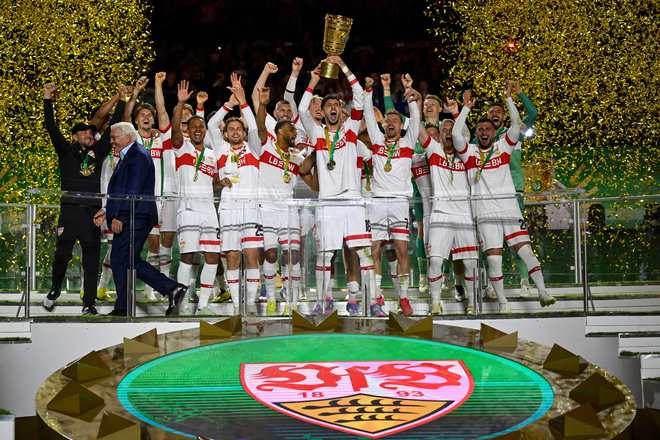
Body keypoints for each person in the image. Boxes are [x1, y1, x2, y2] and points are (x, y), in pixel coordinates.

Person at [453, 86, 555, 312]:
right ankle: (503, 303)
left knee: (525, 251)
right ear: (476, 133)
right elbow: (455, 134)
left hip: (510, 210)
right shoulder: (469, 152)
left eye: (488, 129)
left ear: (494, 132)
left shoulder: (504, 146)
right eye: (480, 129)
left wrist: (509, 99)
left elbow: (516, 123)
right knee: (494, 259)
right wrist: (466, 109)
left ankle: (543, 292)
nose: (484, 132)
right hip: (485, 214)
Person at [298, 57, 375, 316]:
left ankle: (370, 301)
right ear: (323, 111)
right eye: (328, 105)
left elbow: (359, 97)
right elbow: (302, 110)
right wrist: (313, 81)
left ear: (342, 112)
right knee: (324, 255)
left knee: (363, 253)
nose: (332, 108)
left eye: (336, 105)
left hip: (352, 199)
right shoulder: (317, 134)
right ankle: (323, 301)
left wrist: (343, 66)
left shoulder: (350, 130)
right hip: (328, 202)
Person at [42, 83, 124, 315]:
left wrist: (123, 100)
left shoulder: (98, 152)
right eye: (83, 132)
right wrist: (47, 98)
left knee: (91, 260)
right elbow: (51, 126)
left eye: (90, 132)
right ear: (74, 136)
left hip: (91, 214)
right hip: (69, 211)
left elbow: (113, 125)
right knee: (62, 255)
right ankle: (55, 288)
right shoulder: (65, 151)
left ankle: (89, 303)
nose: (88, 134)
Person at [93, 122, 187, 316]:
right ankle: (168, 289)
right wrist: (107, 210)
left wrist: (121, 216)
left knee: (121, 258)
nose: (112, 141)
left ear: (128, 136)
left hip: (136, 216)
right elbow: (121, 190)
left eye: (114, 137)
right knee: (126, 259)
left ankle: (127, 305)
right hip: (132, 215)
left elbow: (133, 190)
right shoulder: (130, 155)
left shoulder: (137, 155)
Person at [362, 74, 421, 316]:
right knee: (374, 248)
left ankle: (403, 298)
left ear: (401, 126)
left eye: (395, 120)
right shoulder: (377, 141)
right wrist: (368, 92)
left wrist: (410, 92)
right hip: (377, 202)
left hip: (399, 202)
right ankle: (377, 295)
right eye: (387, 120)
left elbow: (415, 118)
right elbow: (368, 115)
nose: (390, 123)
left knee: (401, 249)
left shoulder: (408, 142)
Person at [255, 86, 313, 314]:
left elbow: (312, 181)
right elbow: (260, 126)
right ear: (279, 132)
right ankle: (271, 297)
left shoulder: (296, 157)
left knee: (293, 256)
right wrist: (262, 104)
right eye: (291, 129)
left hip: (289, 210)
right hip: (267, 210)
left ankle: (292, 299)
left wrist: (316, 152)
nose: (294, 132)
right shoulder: (266, 145)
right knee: (270, 254)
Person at [170, 80, 222, 315]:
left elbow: (214, 182)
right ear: (188, 131)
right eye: (194, 127)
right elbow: (174, 131)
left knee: (212, 257)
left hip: (209, 211)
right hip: (188, 210)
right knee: (187, 257)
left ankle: (203, 305)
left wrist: (222, 183)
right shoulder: (182, 148)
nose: (198, 130)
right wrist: (180, 103)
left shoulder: (211, 155)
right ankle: (180, 303)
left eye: (201, 126)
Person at [419, 118, 479, 314]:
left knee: (470, 262)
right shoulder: (434, 151)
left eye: (451, 129)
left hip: (464, 216)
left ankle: (472, 303)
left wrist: (463, 110)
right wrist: (413, 105)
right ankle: (435, 303)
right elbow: (419, 131)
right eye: (444, 129)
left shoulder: (467, 154)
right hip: (440, 215)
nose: (448, 132)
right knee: (436, 260)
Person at [215, 73, 263, 315]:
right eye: (231, 129)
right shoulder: (221, 149)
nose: (235, 132)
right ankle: (236, 306)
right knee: (232, 257)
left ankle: (251, 304)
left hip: (251, 209)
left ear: (244, 133)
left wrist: (243, 101)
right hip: (229, 209)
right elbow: (212, 125)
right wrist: (228, 105)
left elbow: (254, 126)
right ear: (225, 134)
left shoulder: (254, 149)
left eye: (238, 129)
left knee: (252, 256)